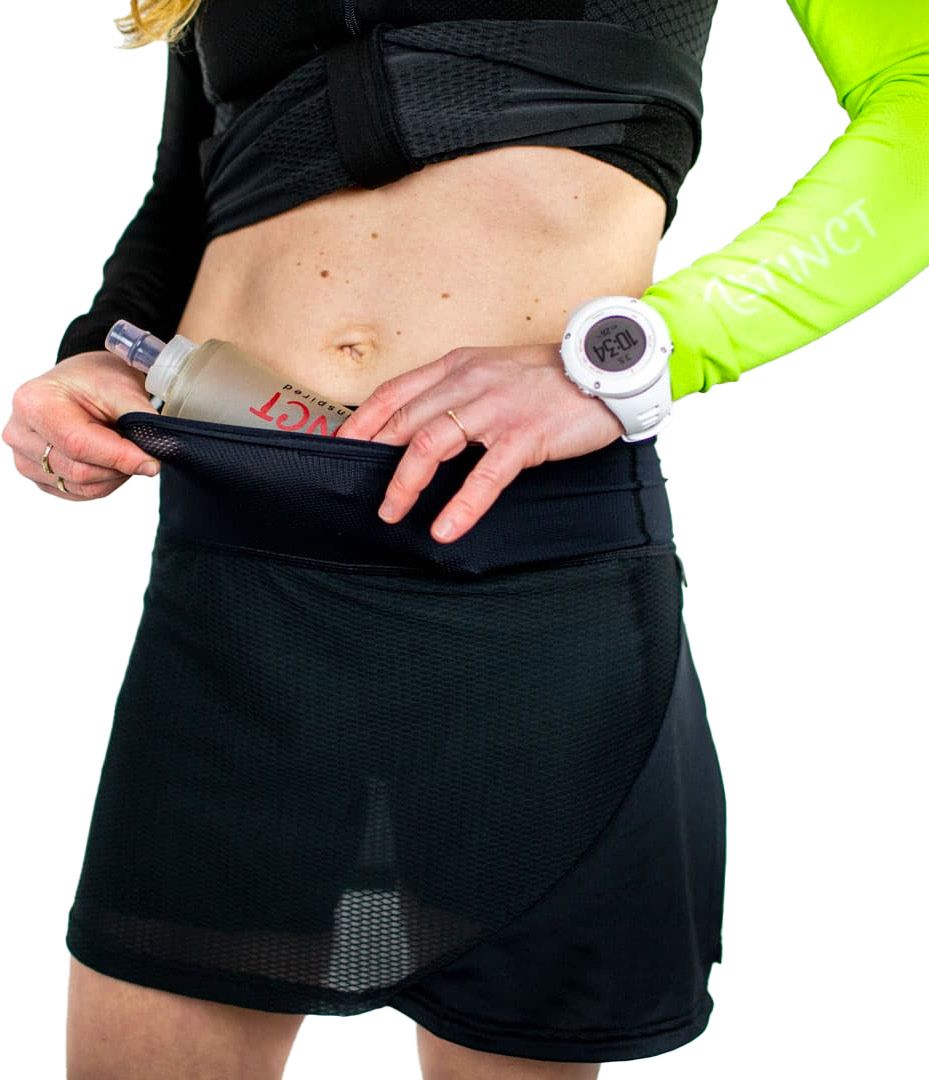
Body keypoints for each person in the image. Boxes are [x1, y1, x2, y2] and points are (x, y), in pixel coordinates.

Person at [3, 1, 928, 1078]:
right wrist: (101, 351)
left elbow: (916, 96)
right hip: (239, 559)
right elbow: (195, 173)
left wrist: (653, 348)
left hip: (521, 566)